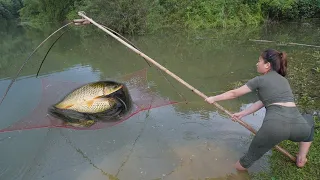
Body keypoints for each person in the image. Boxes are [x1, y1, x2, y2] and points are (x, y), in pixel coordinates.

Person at [205, 49, 314, 171]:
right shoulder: (284, 81)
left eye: (259, 61)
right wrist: (243, 113)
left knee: (246, 160)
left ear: (267, 65)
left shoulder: (259, 80)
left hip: (274, 128)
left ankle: (229, 172)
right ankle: (301, 158)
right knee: (309, 121)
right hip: (299, 128)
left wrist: (213, 98)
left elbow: (234, 93)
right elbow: (263, 102)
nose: (257, 64)